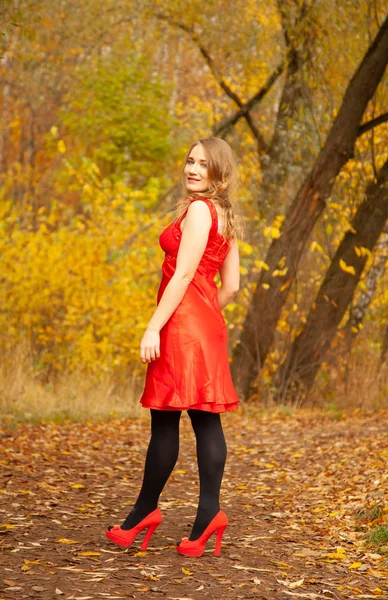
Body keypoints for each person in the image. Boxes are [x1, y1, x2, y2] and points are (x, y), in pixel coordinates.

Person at [106, 136, 242, 557]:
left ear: (219, 171)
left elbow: (183, 275)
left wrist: (154, 328)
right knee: (205, 420)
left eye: (203, 164)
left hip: (181, 326)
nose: (193, 169)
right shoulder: (226, 215)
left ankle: (142, 515)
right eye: (189, 161)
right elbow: (232, 286)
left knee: (165, 421)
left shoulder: (201, 210)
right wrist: (206, 318)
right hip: (204, 326)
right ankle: (206, 519)